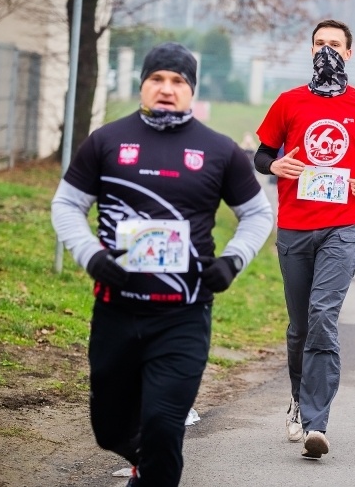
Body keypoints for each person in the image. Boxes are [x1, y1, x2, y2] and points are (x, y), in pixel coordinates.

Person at [51, 42, 274, 487]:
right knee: (110, 427)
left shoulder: (219, 150)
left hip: (184, 313)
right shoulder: (107, 140)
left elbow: (258, 213)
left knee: (163, 424)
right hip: (116, 308)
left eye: (178, 81)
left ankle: (153, 469)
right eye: (157, 79)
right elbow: (67, 204)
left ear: (192, 90)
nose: (167, 89)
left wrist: (232, 260)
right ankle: (146, 463)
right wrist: (91, 256)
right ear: (142, 86)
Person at [252, 19, 355, 459]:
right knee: (299, 327)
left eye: (334, 45)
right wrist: (274, 167)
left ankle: (316, 422)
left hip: (343, 227)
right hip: (294, 225)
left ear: (349, 53)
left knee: (322, 316)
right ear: (310, 50)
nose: (326, 50)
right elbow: (262, 153)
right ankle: (298, 397)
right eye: (319, 44)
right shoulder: (289, 102)